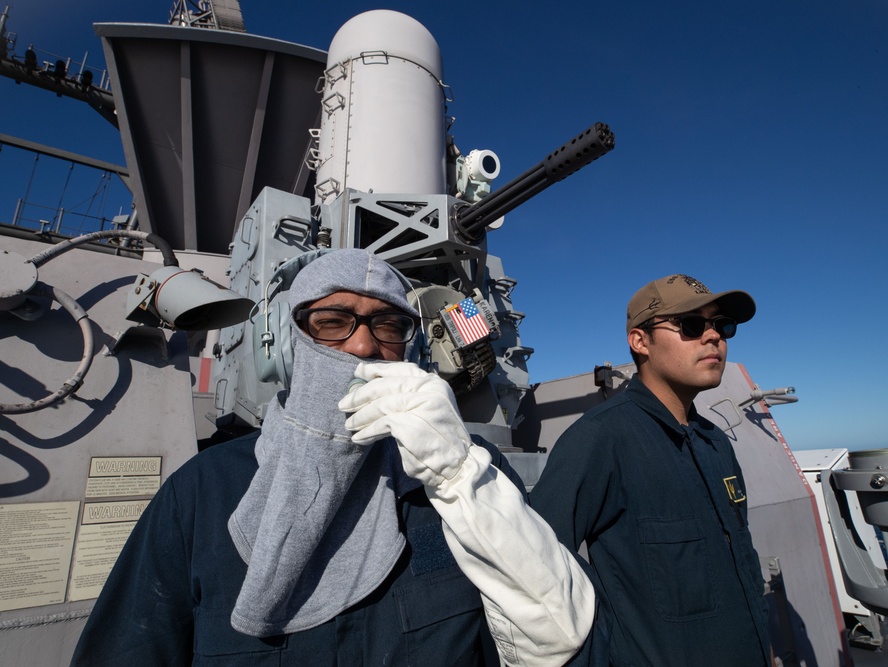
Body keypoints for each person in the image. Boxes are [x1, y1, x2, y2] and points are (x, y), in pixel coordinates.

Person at [72, 248, 596, 666]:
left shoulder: (464, 471)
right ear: (286, 343)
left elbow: (557, 632)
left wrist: (458, 473)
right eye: (332, 320)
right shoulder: (202, 494)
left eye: (388, 324)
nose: (364, 346)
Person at [530, 274, 771, 666]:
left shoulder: (716, 443)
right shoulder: (600, 440)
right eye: (691, 325)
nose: (714, 337)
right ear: (640, 341)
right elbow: (533, 575)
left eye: (721, 325)